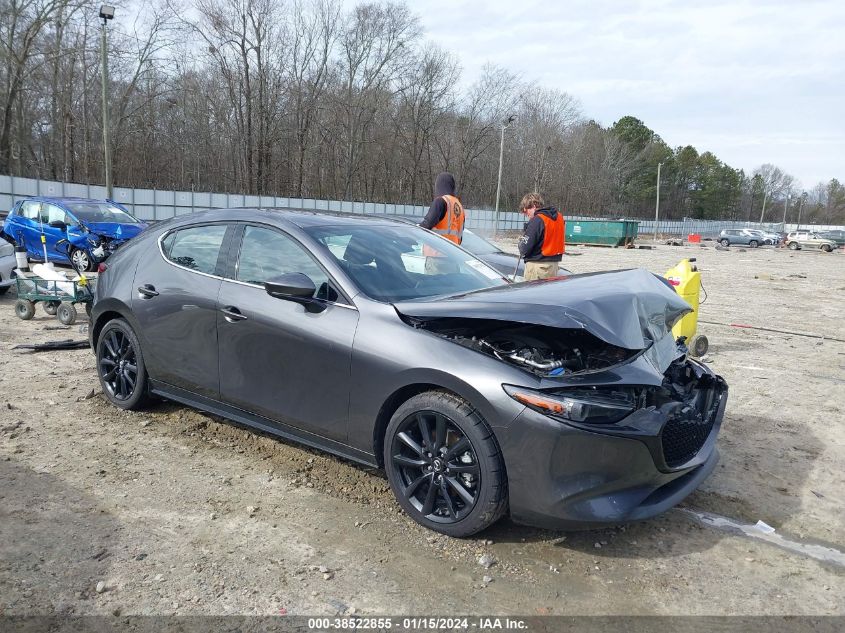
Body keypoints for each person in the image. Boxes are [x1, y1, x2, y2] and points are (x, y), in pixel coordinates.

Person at [420, 172, 464, 274]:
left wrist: (410, 233)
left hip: (437, 258)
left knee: (434, 288)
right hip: (453, 257)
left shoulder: (440, 202)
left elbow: (426, 225)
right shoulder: (459, 206)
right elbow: (460, 236)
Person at [517, 192, 564, 280]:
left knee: (532, 293)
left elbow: (524, 249)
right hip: (553, 266)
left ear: (534, 206)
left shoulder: (537, 220)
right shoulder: (559, 217)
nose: (526, 214)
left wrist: (521, 242)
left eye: (526, 210)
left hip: (537, 267)